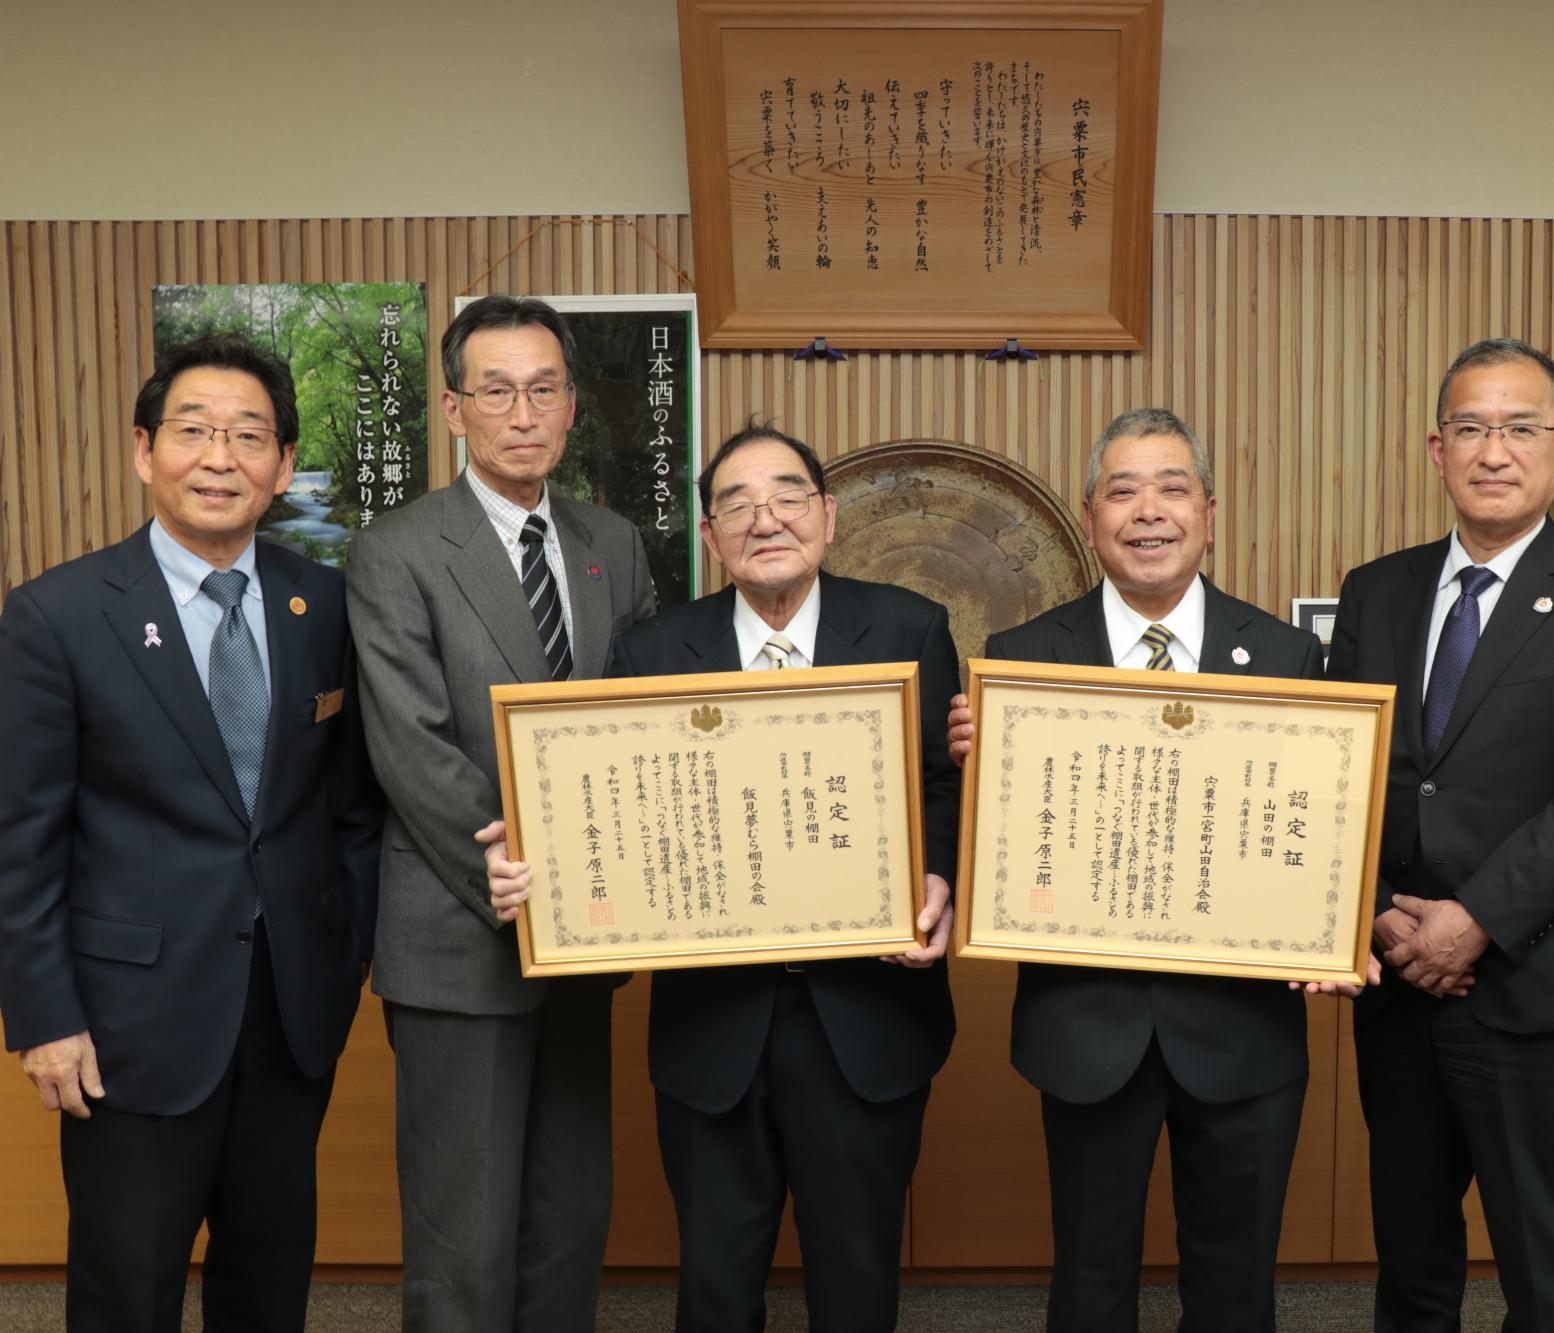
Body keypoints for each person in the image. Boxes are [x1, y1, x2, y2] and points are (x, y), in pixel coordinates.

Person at [485, 420, 958, 1331]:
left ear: (826, 516)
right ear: (708, 536)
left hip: (867, 1021)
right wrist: (542, 852)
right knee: (714, 1288)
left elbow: (943, 784)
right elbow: (615, 808)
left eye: (787, 497)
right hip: (713, 1029)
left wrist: (935, 878)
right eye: (736, 504)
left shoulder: (908, 628)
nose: (764, 518)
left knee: (858, 1284)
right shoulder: (655, 649)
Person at [0, 335, 382, 1331]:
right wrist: (42, 1015)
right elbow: (21, 837)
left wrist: (340, 960)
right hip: (126, 1020)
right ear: (143, 449)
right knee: (128, 1288)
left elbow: (351, 811)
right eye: (196, 431)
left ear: (284, 464)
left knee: (268, 1282)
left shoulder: (324, 603)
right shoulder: (57, 615)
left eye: (250, 435)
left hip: (289, 1012)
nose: (222, 457)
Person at [944, 407, 1334, 1332]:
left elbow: (1316, 828)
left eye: (1171, 489)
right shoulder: (1022, 660)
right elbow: (1004, 852)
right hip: (1088, 1029)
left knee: (1237, 1290)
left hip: (1244, 1030)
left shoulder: (1287, 656)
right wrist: (982, 772)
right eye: (1123, 490)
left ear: (1209, 509)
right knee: (1089, 1283)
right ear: (1090, 517)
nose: (1147, 511)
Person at [1327, 338, 1554, 1331]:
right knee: (1409, 1260)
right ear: (1435, 449)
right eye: (1471, 428)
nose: (1493, 450)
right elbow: (1344, 775)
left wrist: (1471, 920)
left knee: (1546, 1266)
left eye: (1518, 429)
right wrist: (1384, 922)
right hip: (1396, 983)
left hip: (1536, 982)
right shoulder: (1375, 589)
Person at [345, 295, 656, 1331]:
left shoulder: (611, 538)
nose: (521, 413)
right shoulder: (396, 548)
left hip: (585, 935)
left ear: (571, 405)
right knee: (462, 1237)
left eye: (544, 389)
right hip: (463, 927)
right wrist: (523, 868)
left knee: (570, 1216)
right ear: (451, 407)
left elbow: (637, 720)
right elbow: (411, 745)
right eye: (495, 391)